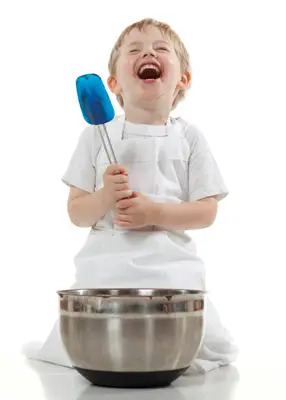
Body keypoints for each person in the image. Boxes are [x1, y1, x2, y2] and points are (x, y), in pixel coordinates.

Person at [23, 18, 238, 373]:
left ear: (182, 79)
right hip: (108, 266)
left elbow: (207, 211)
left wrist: (155, 212)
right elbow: (77, 214)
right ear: (113, 84)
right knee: (90, 330)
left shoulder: (190, 138)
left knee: (196, 336)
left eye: (160, 49)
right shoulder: (96, 136)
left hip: (170, 269)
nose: (148, 52)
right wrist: (105, 196)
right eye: (135, 50)